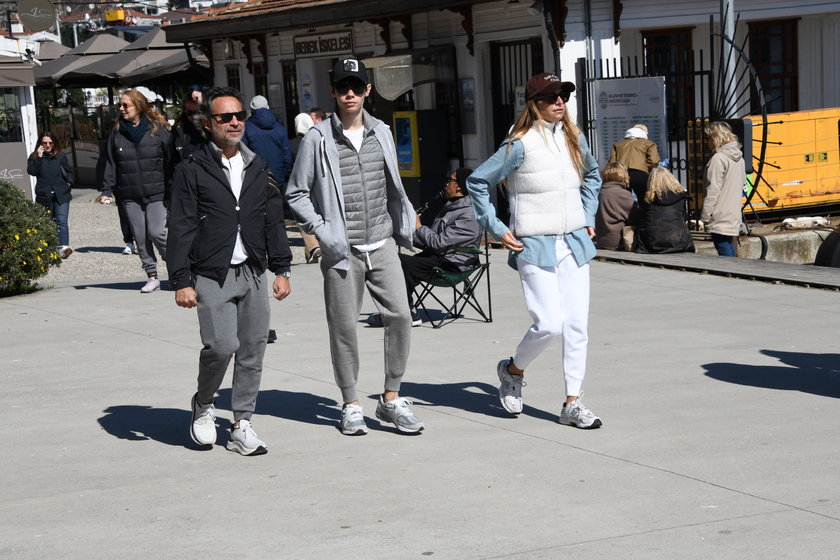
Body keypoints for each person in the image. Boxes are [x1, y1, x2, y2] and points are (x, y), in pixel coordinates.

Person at [285, 57, 424, 436]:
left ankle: (391, 398)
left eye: (357, 86)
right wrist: (323, 232)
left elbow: (393, 183)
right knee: (344, 327)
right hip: (342, 251)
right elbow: (296, 193)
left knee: (401, 316)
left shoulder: (382, 132)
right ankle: (350, 403)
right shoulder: (317, 139)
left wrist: (403, 221)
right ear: (333, 91)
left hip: (382, 243)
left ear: (368, 90)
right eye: (343, 87)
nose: (350, 93)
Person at [467, 72, 603, 429]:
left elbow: (593, 176)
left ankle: (573, 403)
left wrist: (588, 215)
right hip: (534, 243)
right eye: (550, 97)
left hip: (574, 242)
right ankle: (513, 371)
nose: (559, 102)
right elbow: (477, 181)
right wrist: (497, 227)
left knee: (577, 326)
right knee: (549, 324)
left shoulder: (574, 137)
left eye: (563, 96)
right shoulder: (519, 143)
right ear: (534, 103)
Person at [166, 86, 293, 456]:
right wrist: (181, 280)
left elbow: (272, 219)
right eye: (225, 117)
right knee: (221, 346)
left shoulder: (258, 165)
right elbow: (181, 225)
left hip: (252, 271)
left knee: (253, 349)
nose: (234, 122)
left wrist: (281, 268)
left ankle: (241, 424)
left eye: (239, 116)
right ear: (209, 124)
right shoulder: (192, 168)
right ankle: (205, 402)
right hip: (211, 273)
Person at [99, 88, 171, 293]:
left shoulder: (157, 129)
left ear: (138, 106)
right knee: (140, 237)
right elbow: (110, 162)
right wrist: (106, 189)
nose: (121, 109)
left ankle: (178, 268)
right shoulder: (117, 132)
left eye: (125, 105)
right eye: (119, 105)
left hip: (157, 191)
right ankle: (152, 276)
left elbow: (171, 159)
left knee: (157, 232)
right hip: (129, 194)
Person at [396, 167, 481, 324]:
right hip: (441, 257)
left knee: (400, 262)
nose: (445, 184)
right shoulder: (452, 208)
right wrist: (404, 234)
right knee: (392, 261)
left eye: (449, 180)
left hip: (454, 265)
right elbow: (432, 242)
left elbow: (438, 243)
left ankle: (406, 313)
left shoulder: (468, 214)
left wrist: (419, 227)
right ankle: (398, 310)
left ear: (459, 186)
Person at [27, 131, 74, 258]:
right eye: (44, 143)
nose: (47, 145)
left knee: (61, 221)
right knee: (45, 223)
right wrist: (39, 157)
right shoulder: (34, 157)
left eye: (50, 143)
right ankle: (48, 249)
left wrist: (69, 183)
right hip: (44, 195)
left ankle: (64, 248)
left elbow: (69, 171)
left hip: (61, 194)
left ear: (54, 143)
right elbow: (32, 171)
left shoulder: (60, 156)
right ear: (40, 144)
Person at [702, 121, 745, 257]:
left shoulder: (718, 159)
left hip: (719, 212)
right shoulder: (739, 158)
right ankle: (735, 269)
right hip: (733, 211)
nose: (706, 142)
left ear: (715, 138)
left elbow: (712, 189)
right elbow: (743, 182)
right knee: (727, 244)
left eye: (707, 138)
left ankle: (732, 270)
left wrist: (705, 215)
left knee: (722, 246)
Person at [635, 167, 695, 254]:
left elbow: (643, 221)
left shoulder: (646, 199)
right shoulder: (681, 197)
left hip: (653, 243)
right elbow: (683, 217)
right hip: (680, 242)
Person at [290, 112, 321, 264]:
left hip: (300, 184)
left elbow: (288, 162)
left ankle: (312, 246)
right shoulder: (318, 139)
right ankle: (312, 252)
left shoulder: (293, 143)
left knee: (302, 215)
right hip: (318, 183)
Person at [243, 95, 293, 188]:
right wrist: (283, 174)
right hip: (278, 177)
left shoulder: (246, 128)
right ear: (268, 107)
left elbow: (243, 155)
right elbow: (287, 156)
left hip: (256, 178)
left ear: (252, 109)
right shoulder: (280, 129)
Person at [609, 123, 660, 202]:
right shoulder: (649, 144)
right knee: (645, 199)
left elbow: (612, 162)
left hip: (621, 174)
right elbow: (654, 161)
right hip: (640, 174)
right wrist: (646, 169)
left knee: (623, 200)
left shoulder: (617, 145)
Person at [595, 162, 638, 250]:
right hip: (620, 242)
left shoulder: (600, 193)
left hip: (601, 241)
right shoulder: (624, 194)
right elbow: (635, 218)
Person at [170, 94, 205, 168]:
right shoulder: (177, 130)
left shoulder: (210, 128)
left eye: (197, 112)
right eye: (190, 113)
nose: (193, 116)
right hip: (185, 171)